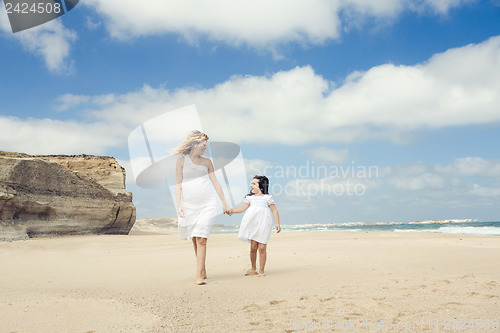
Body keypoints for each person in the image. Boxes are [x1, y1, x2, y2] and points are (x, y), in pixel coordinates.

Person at [174, 130, 231, 285]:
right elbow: (178, 184)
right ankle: (203, 270)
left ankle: (198, 276)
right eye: (203, 145)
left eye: (206, 146)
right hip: (189, 205)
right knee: (194, 238)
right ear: (194, 144)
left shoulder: (207, 162)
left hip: (208, 204)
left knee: (201, 239)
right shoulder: (181, 161)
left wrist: (224, 202)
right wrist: (179, 204)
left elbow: (215, 182)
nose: (205, 148)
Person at [227, 175, 281, 277]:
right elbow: (242, 208)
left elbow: (274, 210)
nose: (251, 185)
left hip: (264, 224)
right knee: (253, 247)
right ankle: (253, 268)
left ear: (261, 186)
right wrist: (232, 211)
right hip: (252, 224)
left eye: (254, 183)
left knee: (262, 248)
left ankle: (261, 271)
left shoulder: (267, 198)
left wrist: (277, 223)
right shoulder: (249, 198)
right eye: (251, 183)